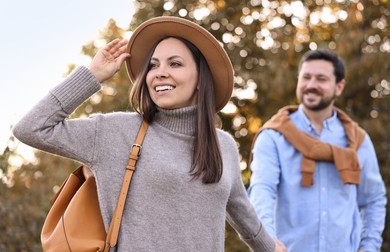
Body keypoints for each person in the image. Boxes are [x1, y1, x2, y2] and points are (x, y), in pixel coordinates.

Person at [12, 16, 287, 251]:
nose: (159, 73)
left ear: (201, 80)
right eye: (153, 65)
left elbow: (247, 222)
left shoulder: (223, 145)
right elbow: (31, 128)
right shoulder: (116, 132)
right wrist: (92, 75)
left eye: (175, 64)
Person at [248, 48, 387, 251]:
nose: (311, 85)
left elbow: (373, 198)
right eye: (306, 77)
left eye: (321, 79)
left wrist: (369, 246)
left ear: (339, 87)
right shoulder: (274, 136)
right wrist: (268, 242)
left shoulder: (358, 141)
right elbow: (262, 190)